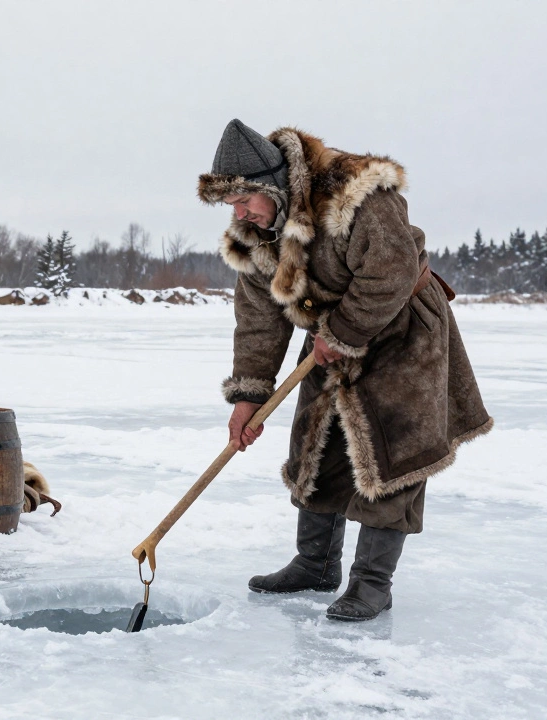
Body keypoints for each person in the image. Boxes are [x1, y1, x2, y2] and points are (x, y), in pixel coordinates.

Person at [199, 120, 492, 621]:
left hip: (401, 333)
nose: (240, 213)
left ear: (273, 184)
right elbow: (259, 318)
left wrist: (344, 333)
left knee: (391, 457)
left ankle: (372, 584)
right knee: (317, 446)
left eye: (245, 198)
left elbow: (391, 271)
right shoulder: (256, 234)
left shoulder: (353, 193)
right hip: (328, 340)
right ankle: (315, 565)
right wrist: (250, 394)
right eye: (232, 205)